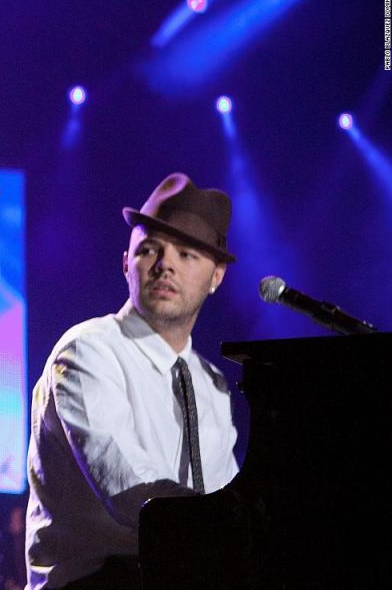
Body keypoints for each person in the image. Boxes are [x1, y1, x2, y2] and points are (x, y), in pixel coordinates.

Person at [24, 173, 240, 590]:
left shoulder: (211, 385)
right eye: (149, 250)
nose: (165, 265)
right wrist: (237, 526)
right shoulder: (87, 351)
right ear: (126, 263)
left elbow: (222, 493)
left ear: (216, 277)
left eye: (187, 254)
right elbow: (132, 491)